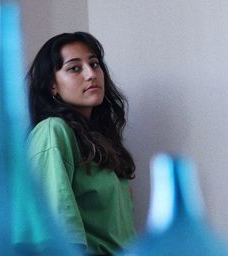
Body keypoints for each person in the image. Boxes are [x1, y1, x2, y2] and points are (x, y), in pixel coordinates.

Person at [26, 31, 136, 255]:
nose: (91, 74)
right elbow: (57, 232)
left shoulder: (105, 144)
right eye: (74, 68)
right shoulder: (52, 131)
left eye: (94, 64)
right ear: (52, 85)